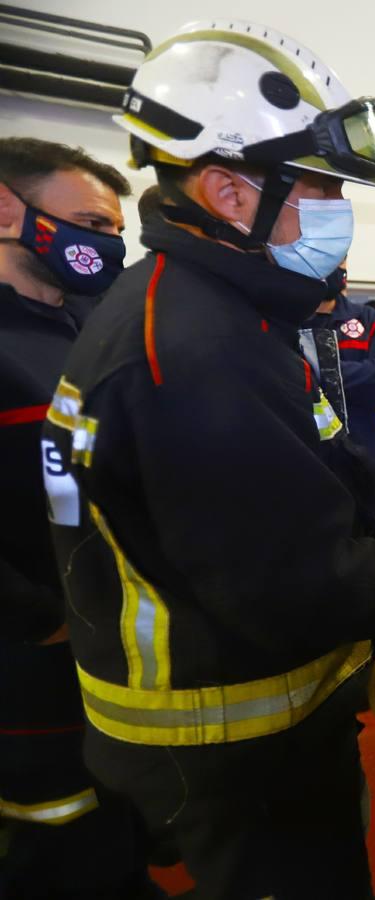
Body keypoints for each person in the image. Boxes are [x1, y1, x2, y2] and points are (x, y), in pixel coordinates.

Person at [40, 24, 375, 898]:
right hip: (227, 741)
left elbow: (258, 499)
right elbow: (296, 594)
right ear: (232, 192)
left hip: (230, 721)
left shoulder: (201, 309)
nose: (334, 207)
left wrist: (362, 521)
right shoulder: (196, 348)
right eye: (317, 184)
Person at [0, 138, 159, 899]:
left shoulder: (92, 325)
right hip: (32, 650)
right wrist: (39, 622)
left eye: (112, 228)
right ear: (7, 210)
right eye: (89, 222)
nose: (105, 243)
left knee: (120, 797)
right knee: (58, 822)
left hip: (116, 629)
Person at [304, 260, 375, 483]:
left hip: (366, 447)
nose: (333, 265)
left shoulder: (368, 319)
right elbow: (299, 380)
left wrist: (326, 380)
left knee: (372, 516)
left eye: (340, 259)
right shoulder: (290, 321)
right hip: (311, 450)